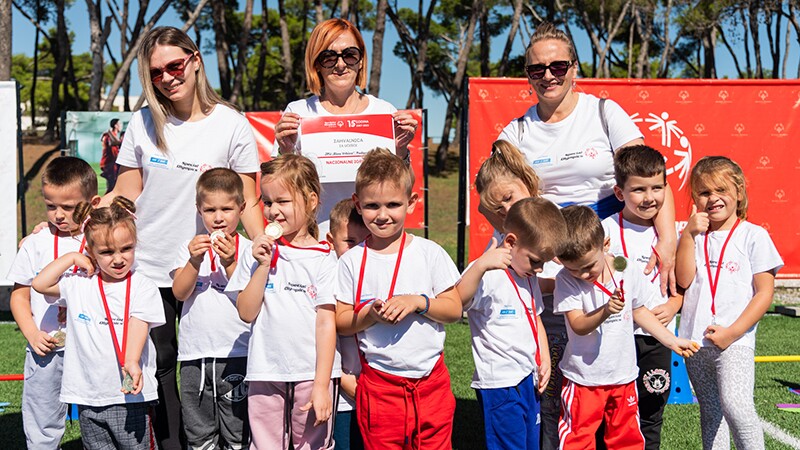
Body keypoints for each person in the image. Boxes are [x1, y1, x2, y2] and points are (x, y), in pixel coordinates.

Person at [108, 26, 262, 449]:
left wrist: (265, 246)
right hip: (151, 265)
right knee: (160, 365)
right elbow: (126, 191)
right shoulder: (142, 122)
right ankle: (173, 444)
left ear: (196, 59)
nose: (168, 78)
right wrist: (78, 218)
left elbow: (247, 198)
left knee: (221, 359)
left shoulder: (231, 123)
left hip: (211, 271)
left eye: (175, 65)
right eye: (156, 73)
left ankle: (231, 439)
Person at [496, 21, 678, 297]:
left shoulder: (604, 112)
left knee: (622, 327)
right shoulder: (516, 131)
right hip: (548, 254)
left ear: (573, 67)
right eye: (537, 69)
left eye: (557, 67)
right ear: (528, 75)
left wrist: (668, 240)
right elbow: (490, 198)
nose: (548, 76)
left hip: (612, 243)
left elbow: (649, 177)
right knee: (554, 334)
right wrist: (534, 240)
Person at [335, 148, 463, 450]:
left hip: (432, 383)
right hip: (380, 387)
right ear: (358, 204)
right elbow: (341, 322)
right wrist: (370, 315)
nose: (382, 215)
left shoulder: (429, 253)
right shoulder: (352, 261)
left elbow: (454, 308)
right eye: (372, 206)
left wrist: (420, 302)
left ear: (412, 202)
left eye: (393, 204)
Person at [553, 206, 697, 449]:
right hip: (583, 380)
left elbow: (639, 310)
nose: (583, 274)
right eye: (574, 268)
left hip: (623, 376)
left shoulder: (624, 267)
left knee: (626, 439)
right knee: (578, 440)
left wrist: (670, 340)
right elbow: (578, 325)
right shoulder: (565, 279)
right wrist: (605, 310)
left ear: (606, 244)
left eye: (589, 265)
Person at [31, 197, 166, 450]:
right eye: (106, 252)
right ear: (90, 252)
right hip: (87, 395)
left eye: (126, 249)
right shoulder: (79, 283)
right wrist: (71, 257)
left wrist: (132, 361)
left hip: (130, 396)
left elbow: (139, 324)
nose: (118, 259)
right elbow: (40, 284)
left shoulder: (142, 285)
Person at [227, 154, 339, 449]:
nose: (273, 211)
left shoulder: (326, 258)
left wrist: (321, 384)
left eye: (283, 201)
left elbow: (327, 322)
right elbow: (246, 312)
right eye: (267, 202)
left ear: (311, 200)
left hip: (310, 374)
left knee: (312, 445)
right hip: (265, 371)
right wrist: (262, 265)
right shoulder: (255, 253)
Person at [273, 18, 418, 234]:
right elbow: (277, 190)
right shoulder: (298, 113)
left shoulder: (384, 111)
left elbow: (403, 186)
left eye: (350, 54)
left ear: (360, 60)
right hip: (316, 238)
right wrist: (285, 152)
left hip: (373, 238)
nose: (340, 64)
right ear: (316, 64)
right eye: (329, 57)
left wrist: (401, 151)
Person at [676, 156, 783, 450]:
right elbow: (683, 280)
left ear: (738, 192)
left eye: (721, 190)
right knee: (711, 414)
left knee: (737, 406)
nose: (713, 199)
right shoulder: (692, 235)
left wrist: (732, 333)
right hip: (694, 342)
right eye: (704, 192)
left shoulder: (754, 236)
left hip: (735, 341)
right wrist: (687, 235)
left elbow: (764, 293)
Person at [475, 140, 571, 450]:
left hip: (561, 321)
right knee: (546, 407)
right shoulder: (504, 242)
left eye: (509, 198)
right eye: (496, 209)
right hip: (523, 343)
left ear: (527, 182)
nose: (505, 210)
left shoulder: (552, 220)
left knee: (562, 405)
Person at [456, 197, 567, 450]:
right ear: (511, 242)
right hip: (500, 384)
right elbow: (458, 301)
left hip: (528, 377)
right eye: (536, 260)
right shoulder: (488, 272)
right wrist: (481, 265)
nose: (540, 269)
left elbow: (535, 316)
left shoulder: (526, 275)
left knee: (530, 444)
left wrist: (545, 358)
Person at [7, 157, 99, 450]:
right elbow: (19, 295)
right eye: (50, 206)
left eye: (69, 207)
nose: (58, 215)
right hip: (45, 346)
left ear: (91, 203)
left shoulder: (101, 238)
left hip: (93, 345)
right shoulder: (35, 243)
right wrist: (32, 333)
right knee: (42, 418)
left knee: (99, 415)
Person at [601, 145, 683, 449]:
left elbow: (686, 284)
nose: (649, 197)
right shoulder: (603, 231)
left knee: (650, 414)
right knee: (610, 414)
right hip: (616, 337)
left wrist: (674, 304)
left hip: (657, 339)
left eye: (657, 187)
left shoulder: (671, 235)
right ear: (620, 193)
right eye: (639, 189)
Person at [171, 168, 252, 449]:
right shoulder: (189, 248)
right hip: (195, 355)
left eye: (227, 209)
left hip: (238, 353)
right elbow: (180, 293)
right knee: (199, 431)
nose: (218, 217)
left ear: (241, 208)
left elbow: (250, 300)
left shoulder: (250, 250)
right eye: (210, 209)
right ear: (199, 210)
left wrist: (231, 263)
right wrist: (194, 262)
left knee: (238, 429)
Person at [326, 198, 370, 450]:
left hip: (376, 390)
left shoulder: (375, 272)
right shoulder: (327, 278)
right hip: (342, 394)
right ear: (331, 241)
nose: (357, 249)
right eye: (350, 242)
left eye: (364, 241)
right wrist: (343, 380)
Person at [100, 118, 123, 193]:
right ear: (116, 125)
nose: (121, 126)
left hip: (112, 164)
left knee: (113, 186)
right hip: (109, 164)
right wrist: (109, 132)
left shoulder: (114, 135)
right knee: (111, 187)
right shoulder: (109, 136)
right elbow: (112, 144)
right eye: (120, 124)